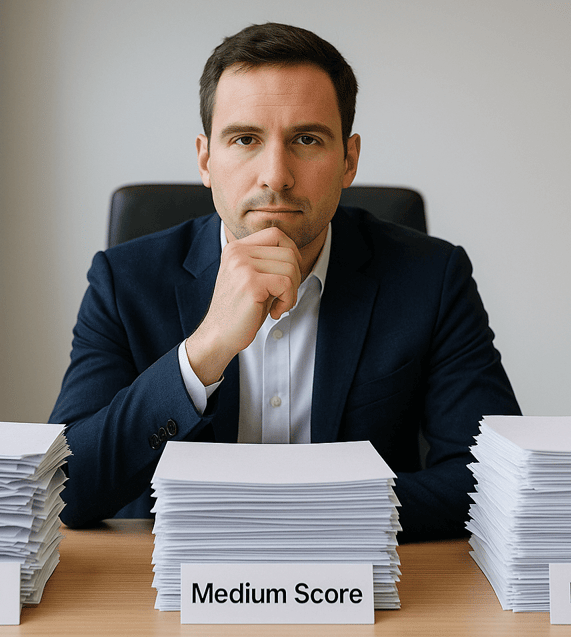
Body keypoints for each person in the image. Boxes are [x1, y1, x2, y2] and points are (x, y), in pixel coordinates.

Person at [50, 23, 520, 542]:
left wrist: (302, 509)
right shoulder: (123, 281)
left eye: (307, 139)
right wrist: (204, 351)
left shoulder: (432, 278)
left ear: (349, 159)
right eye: (245, 139)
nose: (276, 174)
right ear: (206, 160)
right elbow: (66, 490)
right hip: (179, 590)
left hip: (364, 587)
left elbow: (489, 480)